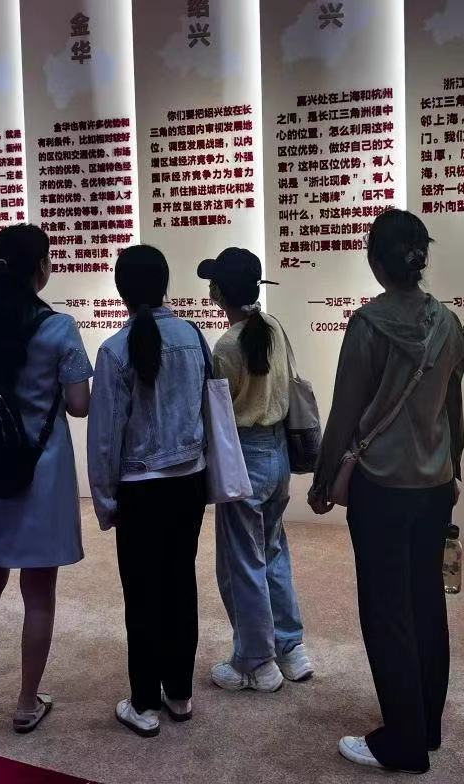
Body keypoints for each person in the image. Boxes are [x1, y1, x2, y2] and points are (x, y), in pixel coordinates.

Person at [308, 209, 464, 775]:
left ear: (376, 262)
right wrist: (454, 467)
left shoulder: (368, 326)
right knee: (426, 602)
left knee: (386, 610)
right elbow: (452, 408)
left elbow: (346, 411)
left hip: (382, 486)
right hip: (434, 484)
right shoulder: (448, 323)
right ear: (420, 259)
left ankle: (402, 742)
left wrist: (324, 479)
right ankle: (426, 725)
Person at [0, 224, 92, 734]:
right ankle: (27, 701)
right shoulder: (60, 328)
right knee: (38, 591)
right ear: (40, 268)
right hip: (39, 471)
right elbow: (79, 404)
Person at [88, 244, 210, 738]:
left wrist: (105, 501)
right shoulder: (193, 337)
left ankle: (143, 703)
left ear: (121, 291)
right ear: (165, 285)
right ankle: (179, 694)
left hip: (139, 490)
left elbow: (105, 437)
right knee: (180, 584)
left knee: (141, 595)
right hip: (188, 482)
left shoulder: (114, 350)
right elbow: (208, 409)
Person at [197, 247, 312, 693]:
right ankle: (291, 647)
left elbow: (219, 413)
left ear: (221, 293)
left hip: (244, 456)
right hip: (279, 453)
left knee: (242, 562)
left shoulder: (227, 346)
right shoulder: (274, 328)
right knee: (274, 550)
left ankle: (255, 660)